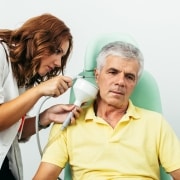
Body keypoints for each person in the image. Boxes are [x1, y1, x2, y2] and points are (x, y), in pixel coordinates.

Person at [33, 41, 180, 180]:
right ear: (97, 76)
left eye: (129, 77)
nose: (120, 82)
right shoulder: (67, 123)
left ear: (134, 84)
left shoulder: (155, 123)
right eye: (113, 72)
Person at [0, 13, 81, 180]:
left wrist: (46, 117)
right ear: (38, 41)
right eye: (57, 51)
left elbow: (14, 132)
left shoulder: (23, 75)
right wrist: (39, 91)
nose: (58, 63)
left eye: (62, 56)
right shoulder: (1, 54)